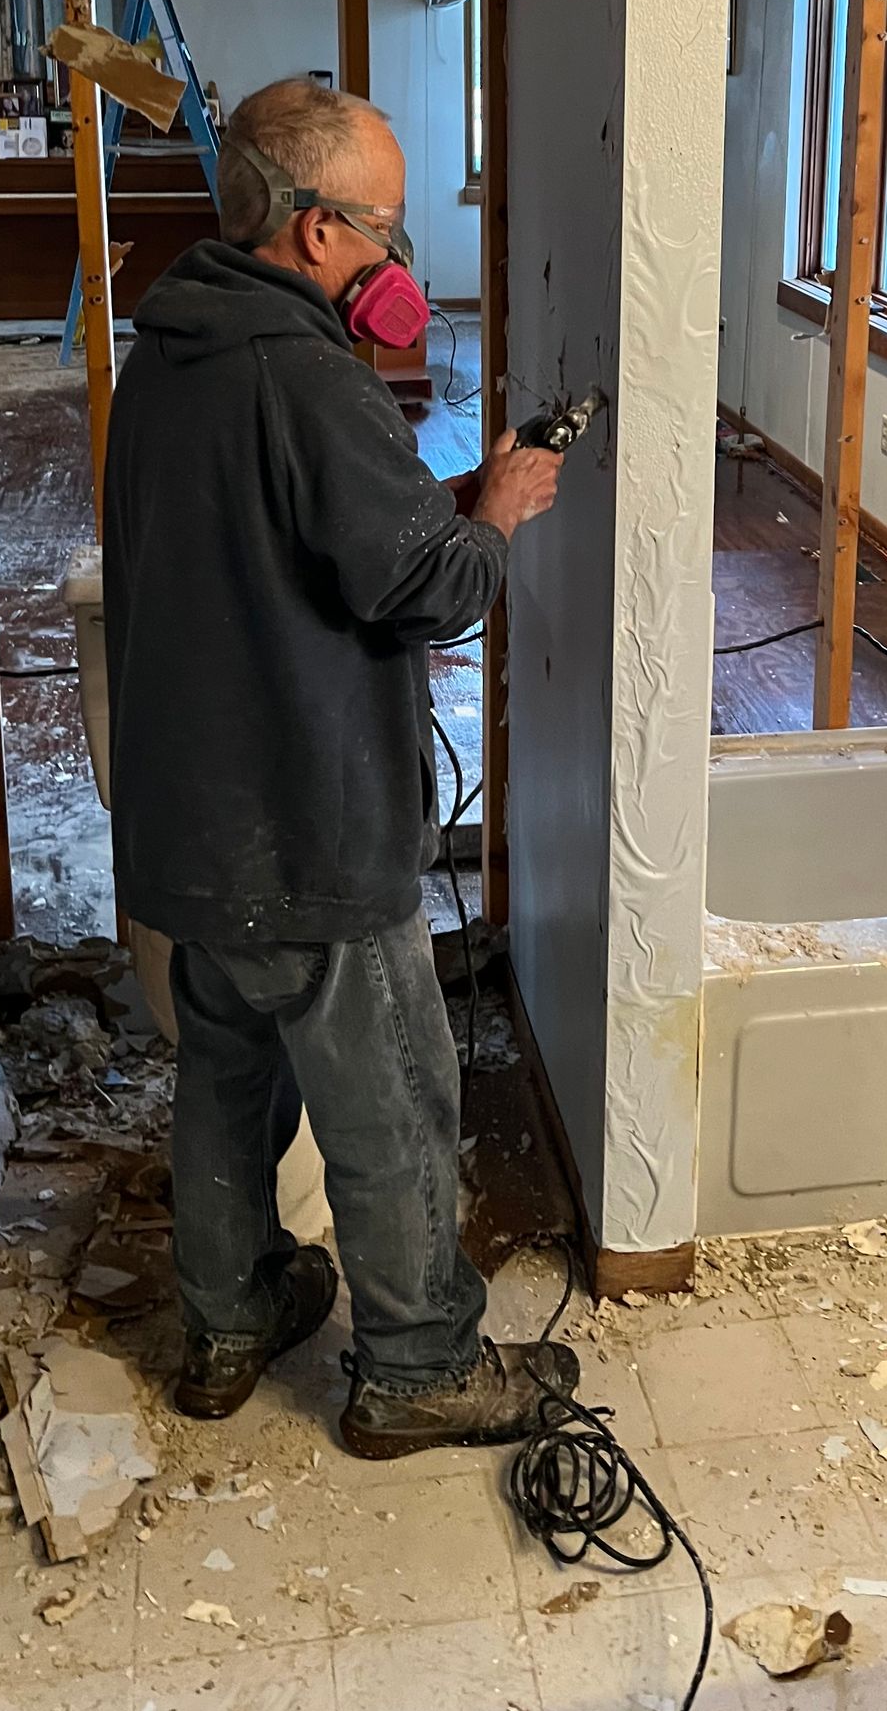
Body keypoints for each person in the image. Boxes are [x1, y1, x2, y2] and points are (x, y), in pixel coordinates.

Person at [102, 76, 578, 1459]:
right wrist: (497, 514)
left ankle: (229, 1320)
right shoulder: (311, 374)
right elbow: (427, 591)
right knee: (394, 1106)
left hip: (195, 825)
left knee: (226, 1087)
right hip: (308, 819)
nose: (396, 258)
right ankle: (419, 1367)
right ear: (316, 229)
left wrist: (435, 506)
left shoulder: (170, 349)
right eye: (387, 227)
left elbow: (282, 541)